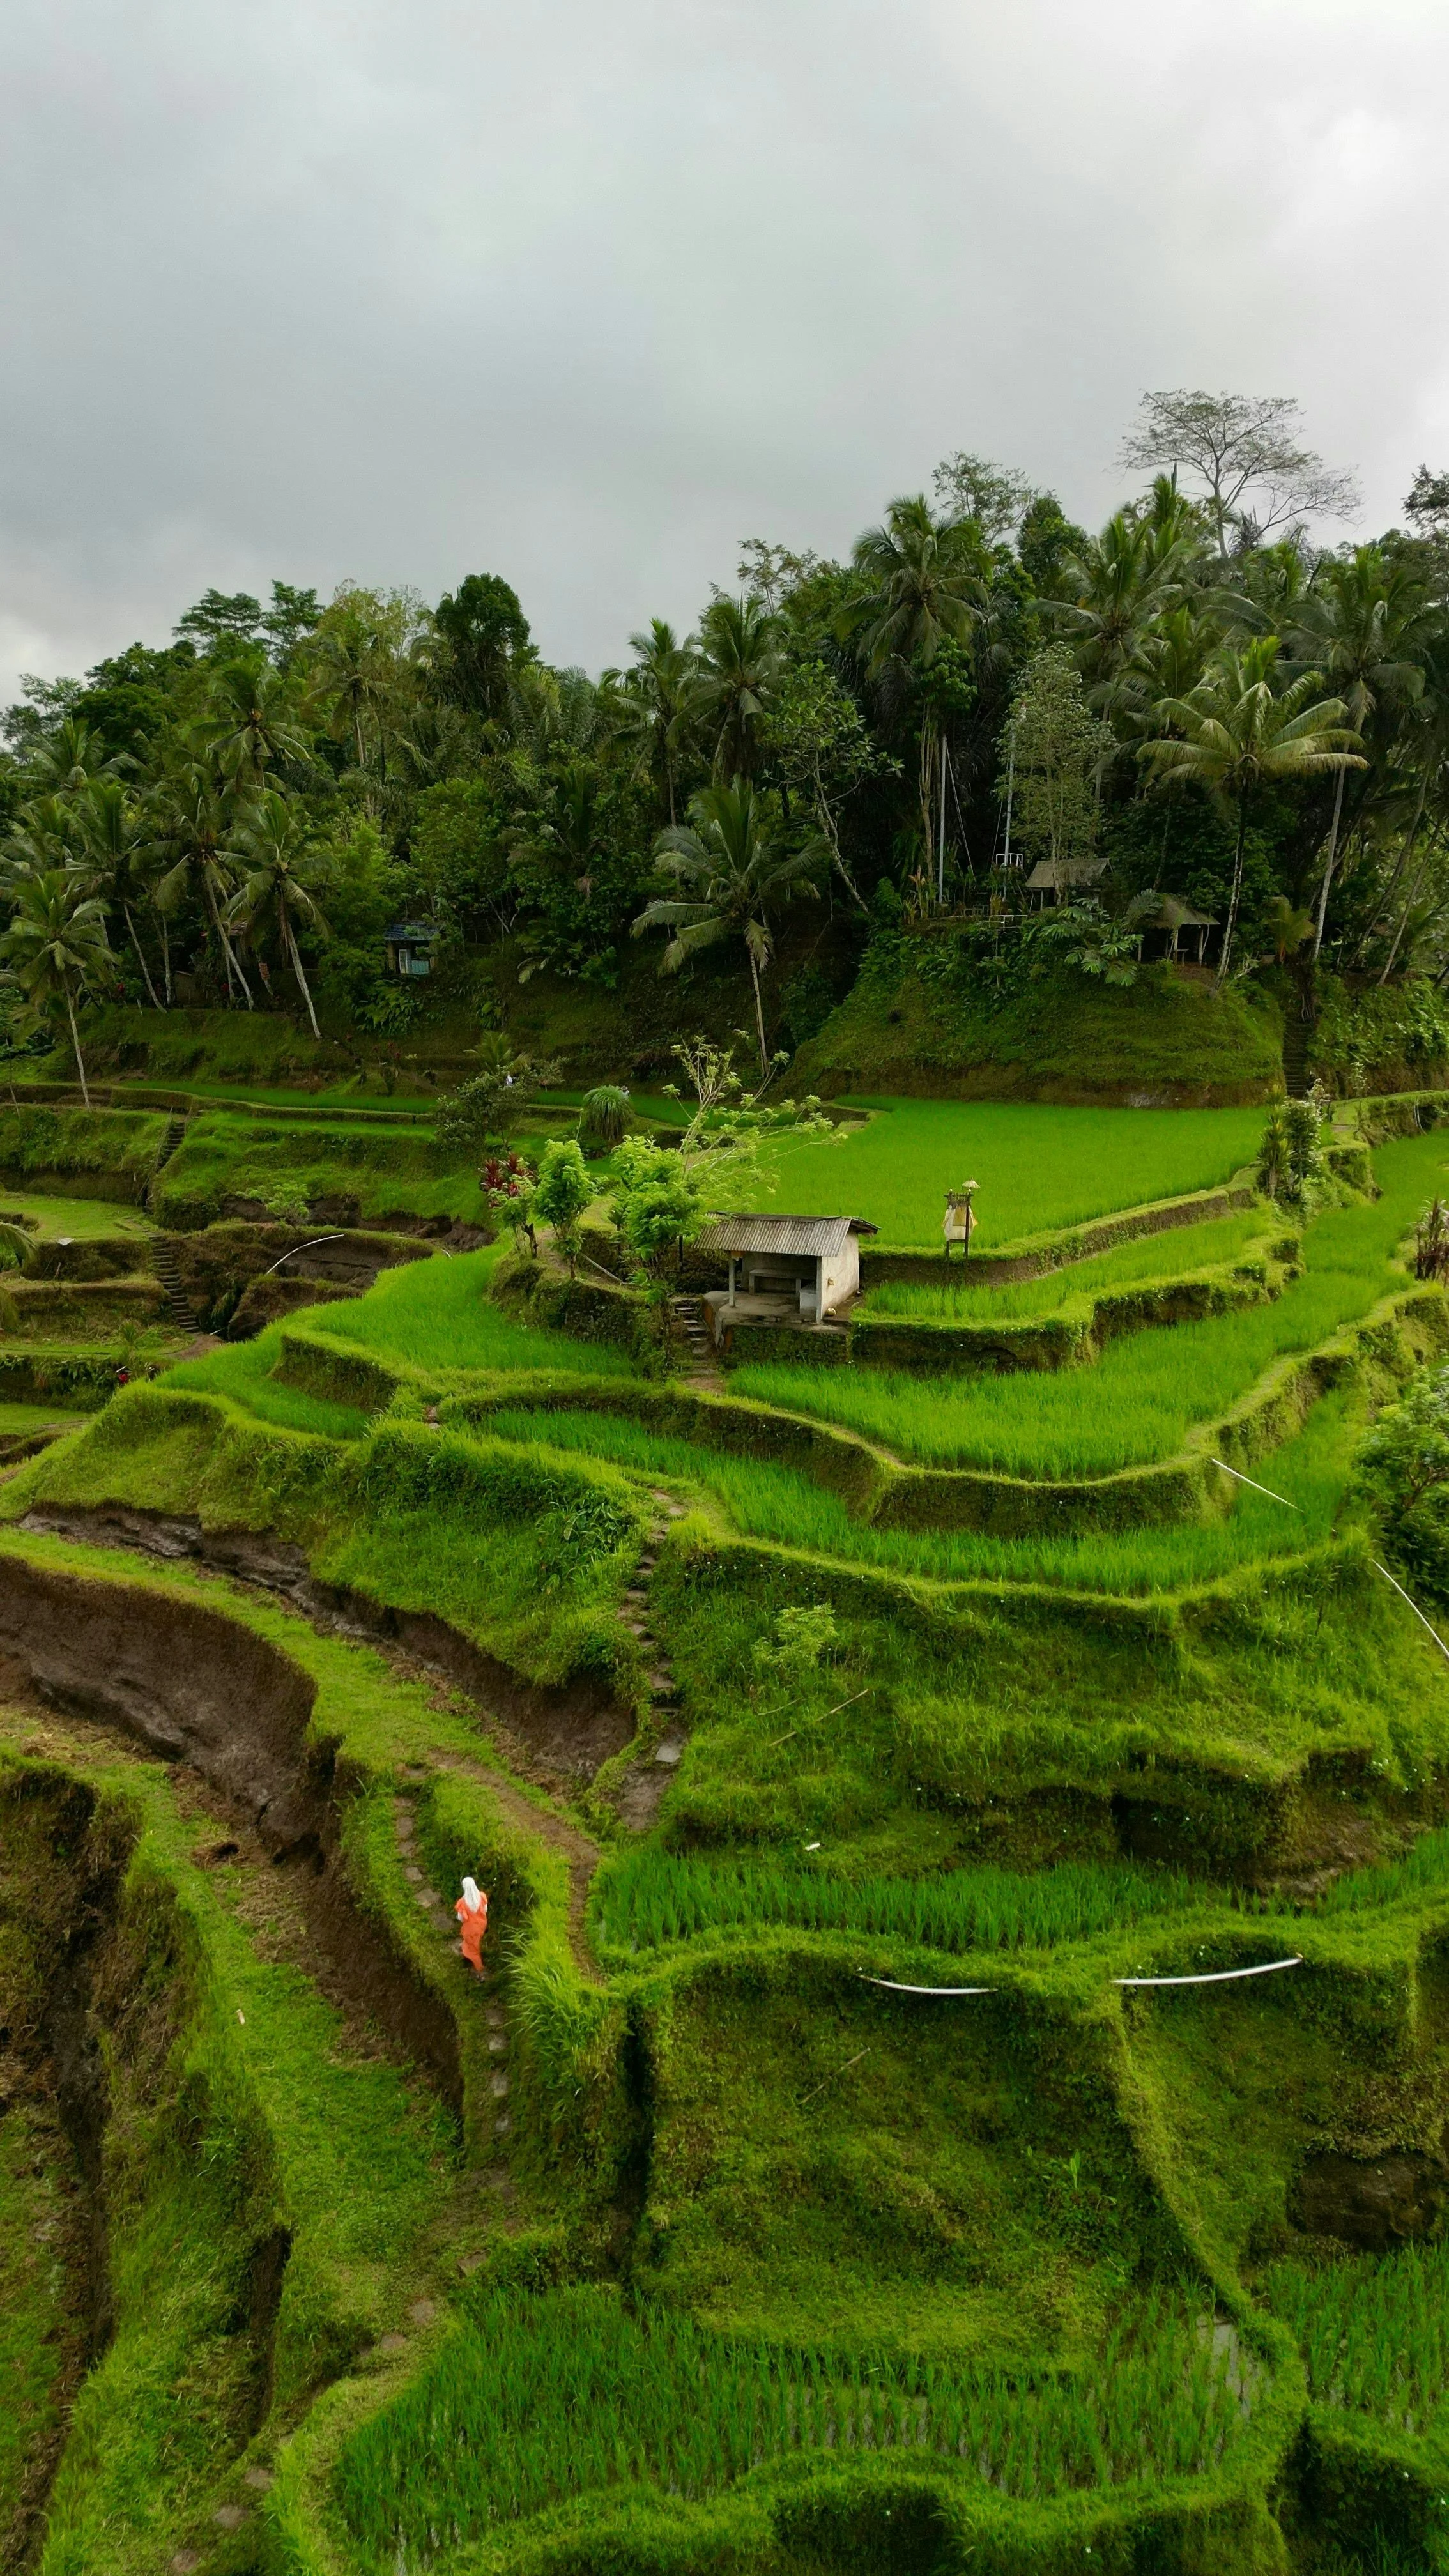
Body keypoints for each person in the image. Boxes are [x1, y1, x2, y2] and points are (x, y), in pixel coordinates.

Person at [454, 1876, 489, 1976]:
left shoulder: (462, 1903)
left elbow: (461, 1918)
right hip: (481, 1925)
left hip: (471, 1930)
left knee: (473, 1949)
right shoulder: (482, 1896)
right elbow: (485, 1910)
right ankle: (466, 1947)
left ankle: (479, 1968)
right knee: (475, 1942)